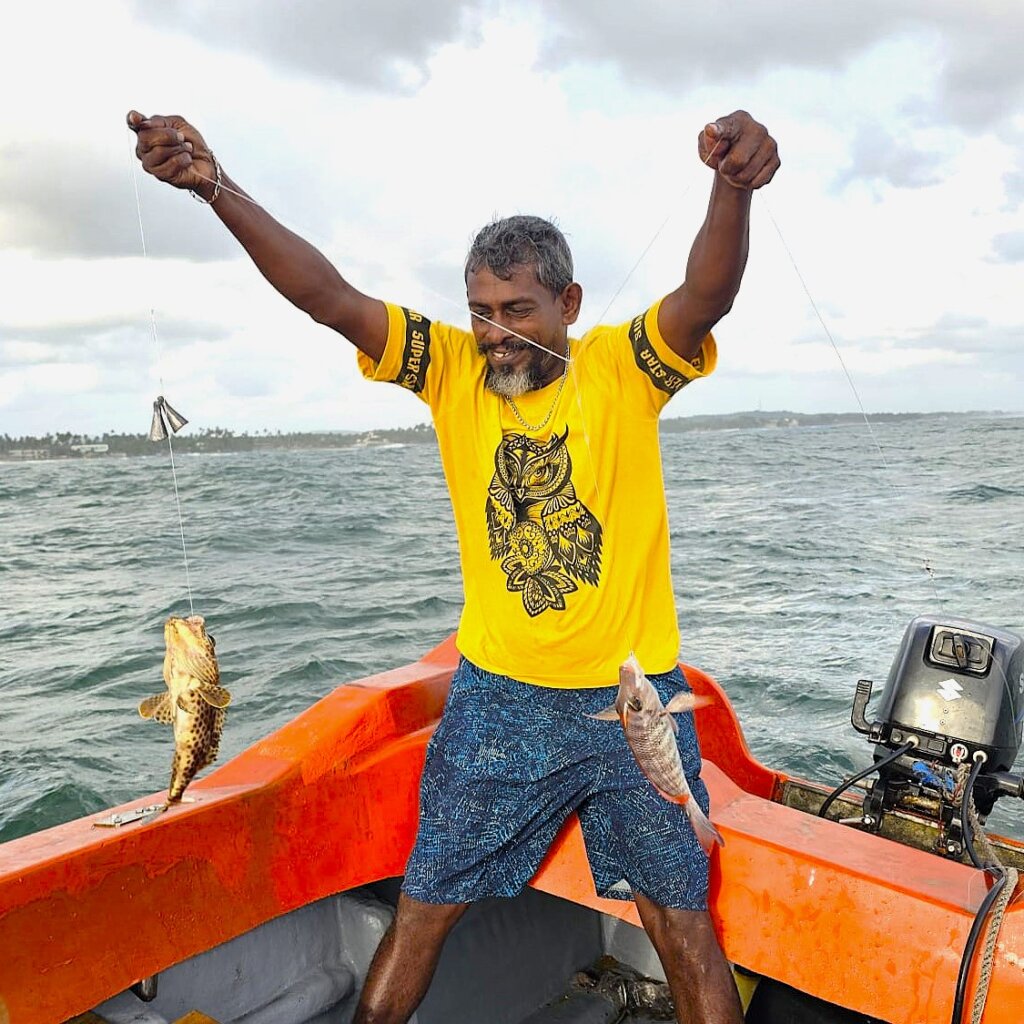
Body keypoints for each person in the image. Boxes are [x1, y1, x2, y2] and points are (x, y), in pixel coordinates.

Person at [128, 106, 779, 1024]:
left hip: (635, 701)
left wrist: (731, 185)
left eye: (517, 311)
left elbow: (706, 293)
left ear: (570, 305)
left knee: (681, 923)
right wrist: (214, 188)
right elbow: (327, 296)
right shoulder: (449, 370)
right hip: (496, 698)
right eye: (482, 311)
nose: (496, 332)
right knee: (427, 904)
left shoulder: (624, 367)